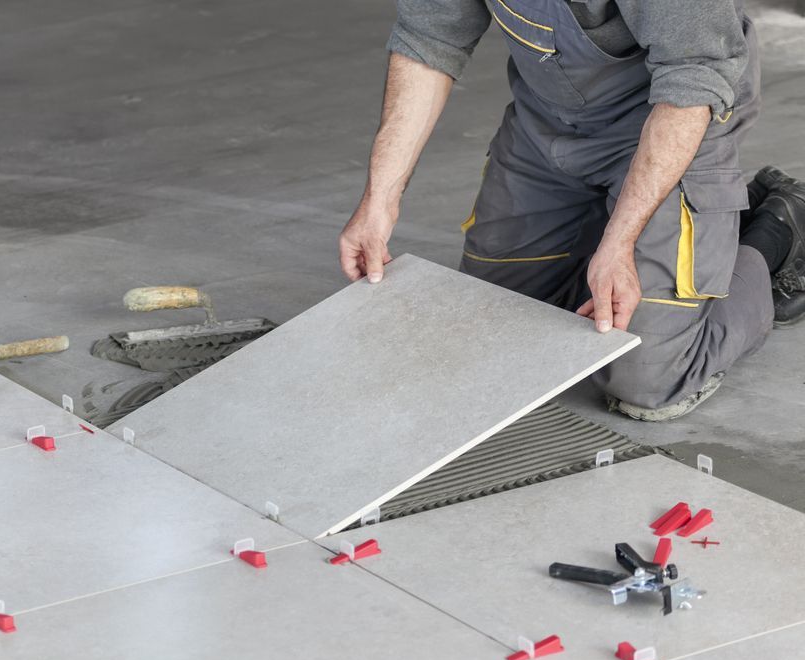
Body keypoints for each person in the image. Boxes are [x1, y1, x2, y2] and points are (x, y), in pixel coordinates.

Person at [339, 0, 805, 421]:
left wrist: (621, 242)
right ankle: (680, 242)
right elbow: (429, 38)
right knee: (493, 328)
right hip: (549, 125)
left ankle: (774, 232)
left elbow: (693, 79)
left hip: (672, 120)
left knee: (645, 376)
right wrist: (379, 199)